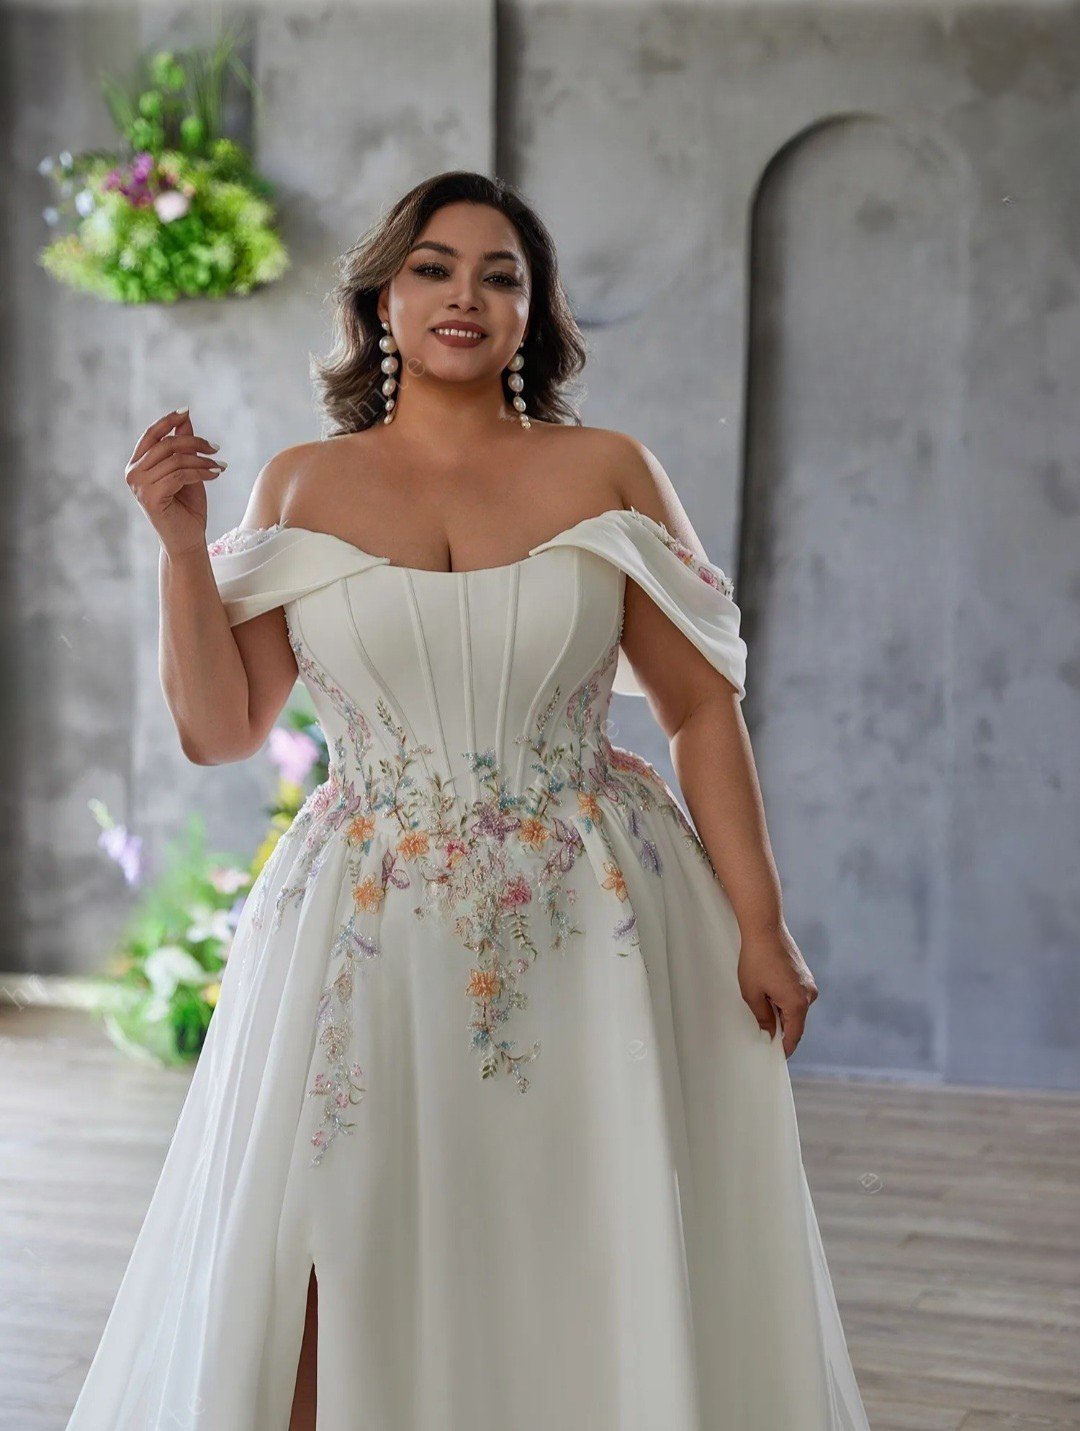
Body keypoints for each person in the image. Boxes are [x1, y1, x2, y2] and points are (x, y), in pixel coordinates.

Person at [67, 170, 870, 1430]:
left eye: (503, 274)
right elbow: (220, 730)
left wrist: (764, 926)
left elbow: (699, 706)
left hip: (594, 905)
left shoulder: (608, 470)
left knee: (574, 1231)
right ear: (383, 301)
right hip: (364, 917)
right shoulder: (302, 484)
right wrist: (182, 549)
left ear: (533, 312)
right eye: (435, 267)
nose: (467, 295)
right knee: (333, 1228)